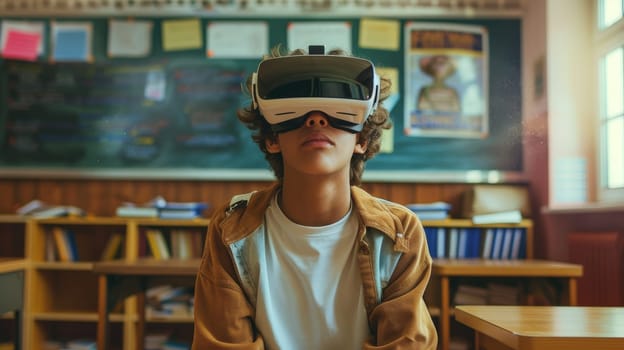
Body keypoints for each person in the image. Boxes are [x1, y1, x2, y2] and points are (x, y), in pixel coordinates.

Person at [192, 45, 438, 349]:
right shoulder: (232, 229)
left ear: (361, 139)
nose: (316, 120)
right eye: (297, 110)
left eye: (336, 111)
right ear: (272, 139)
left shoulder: (398, 232)